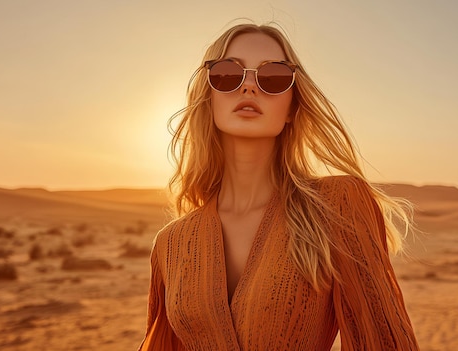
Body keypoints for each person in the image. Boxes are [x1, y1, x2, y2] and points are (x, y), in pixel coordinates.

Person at [138, 22, 420, 351]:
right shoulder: (171, 243)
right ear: (208, 94)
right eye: (228, 74)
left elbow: (383, 341)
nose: (249, 87)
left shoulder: (337, 204)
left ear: (291, 108)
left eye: (273, 77)